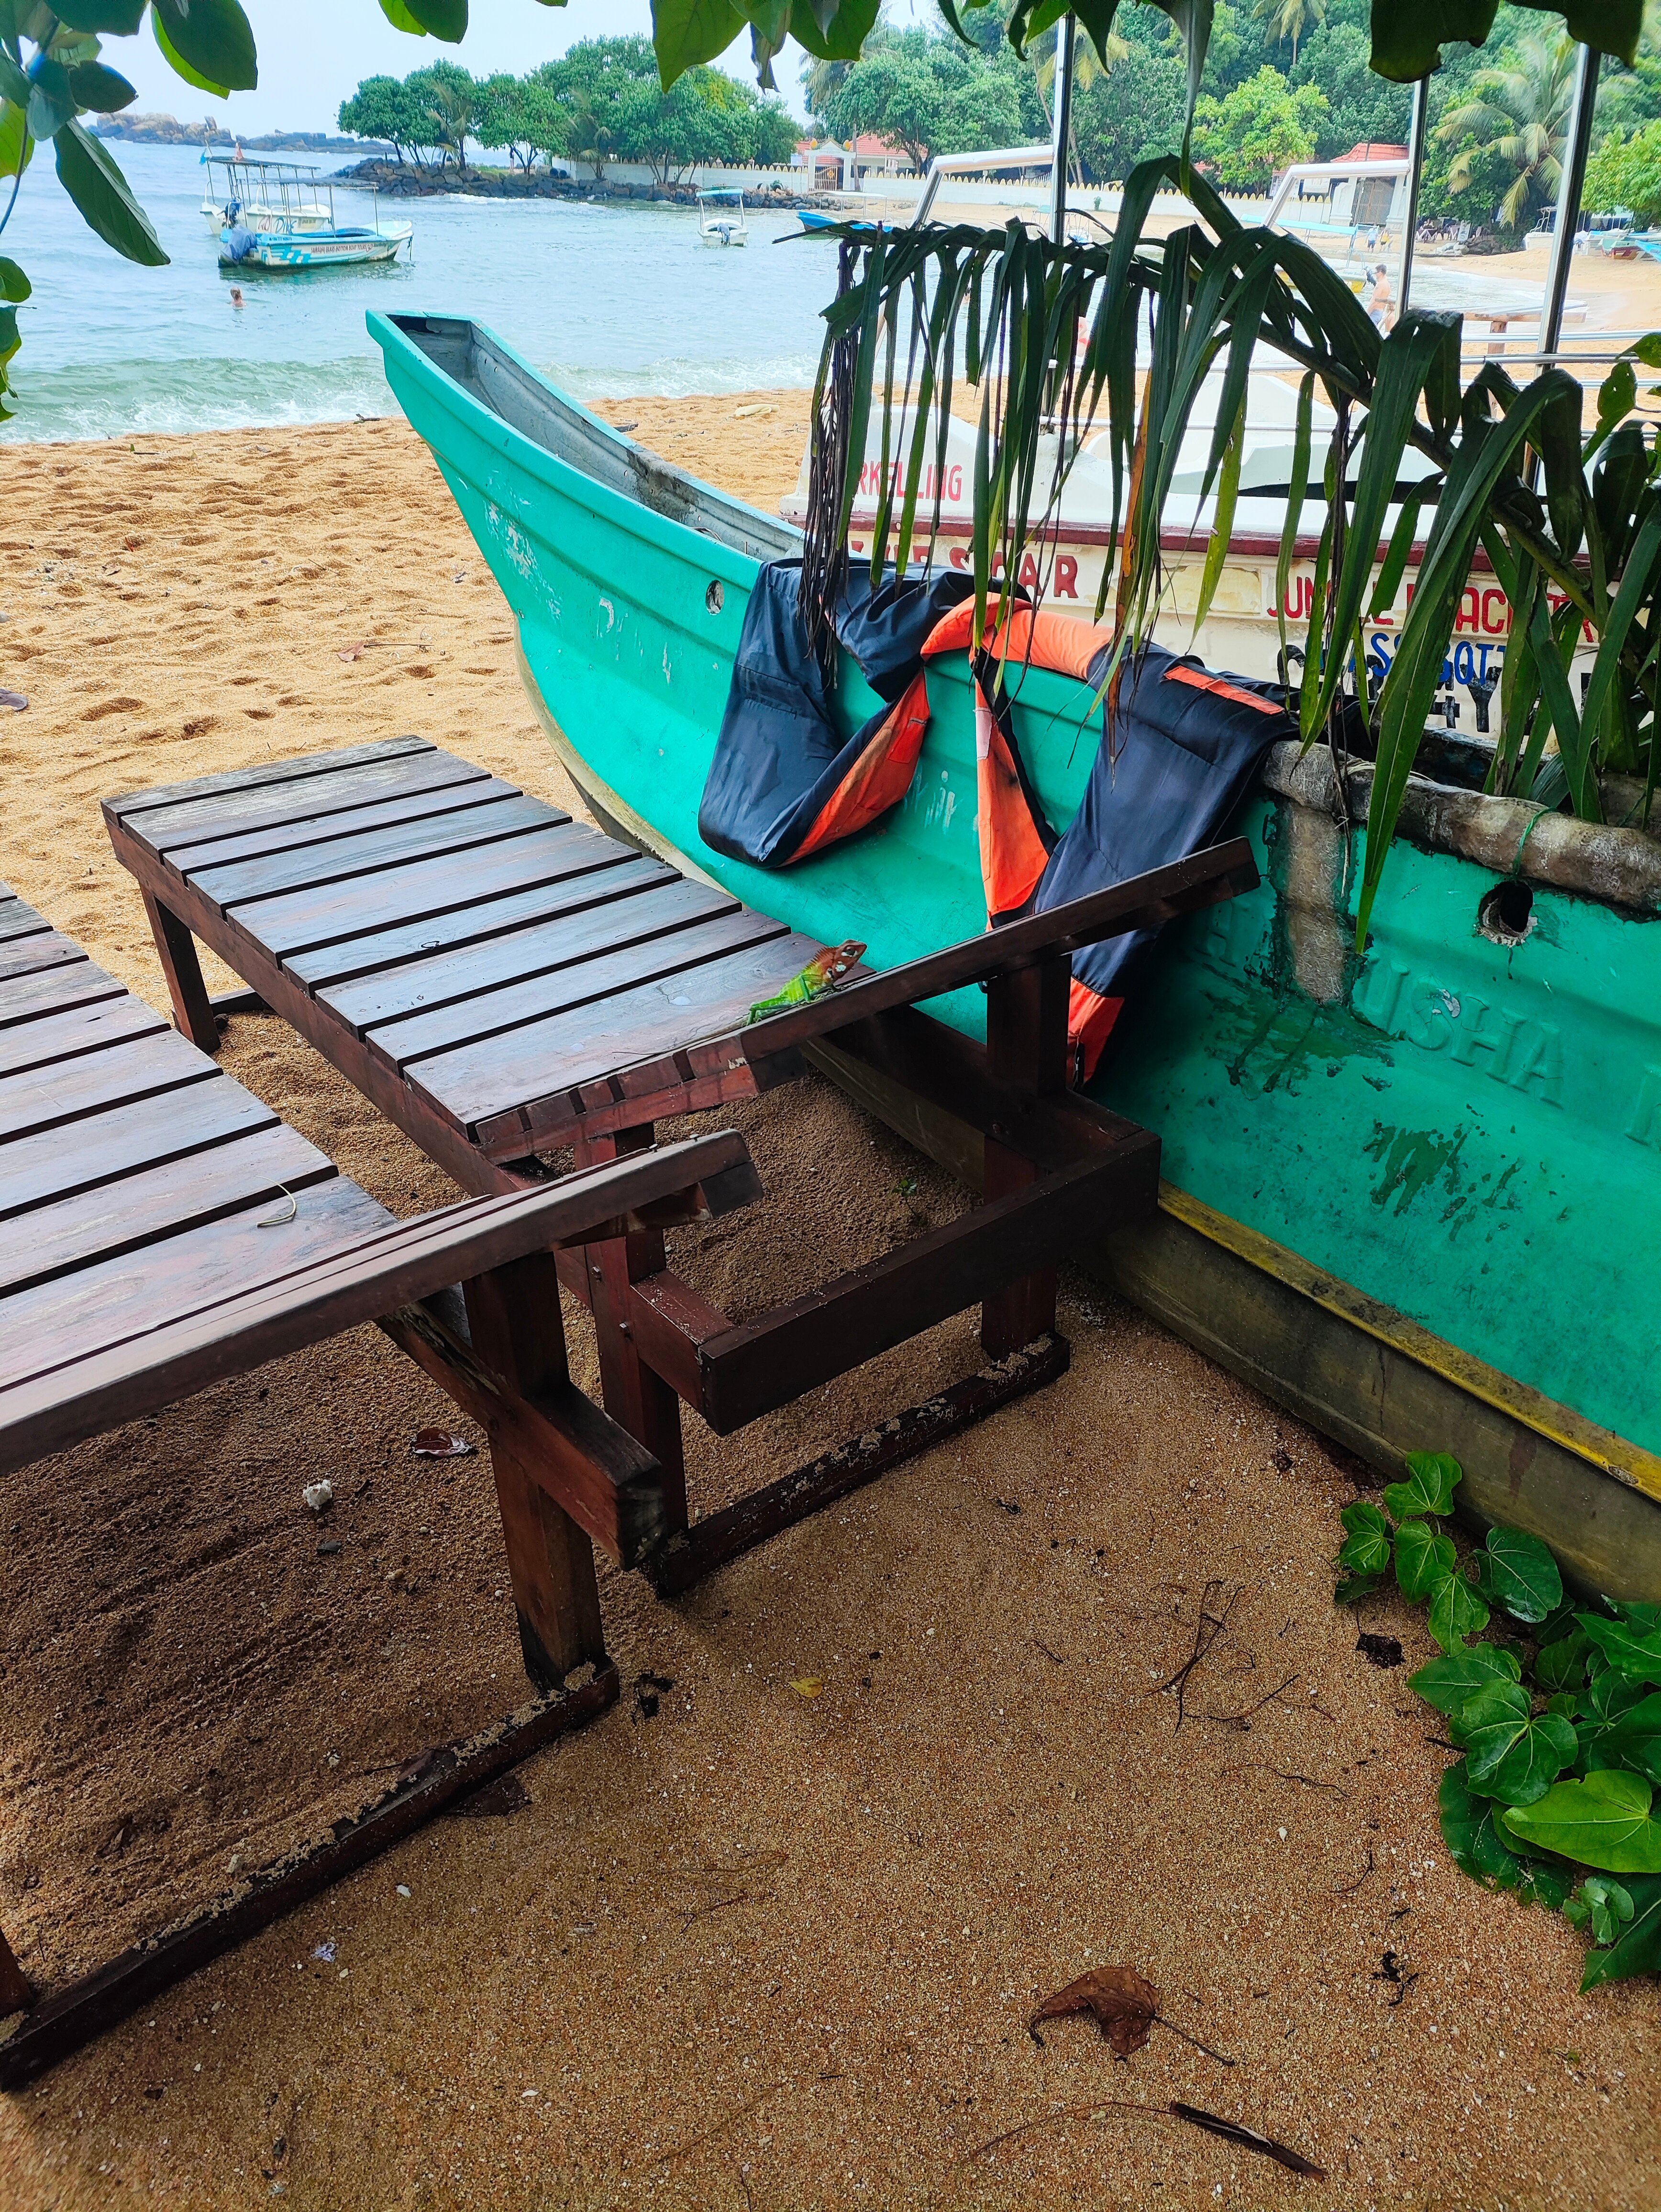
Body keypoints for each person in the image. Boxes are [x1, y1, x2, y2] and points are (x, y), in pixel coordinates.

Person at [1367, 263, 1392, 331]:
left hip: (1375, 311)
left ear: (1380, 273)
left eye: (1376, 273)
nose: (1375, 275)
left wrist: (1367, 313)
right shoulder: (1388, 285)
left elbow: (1374, 301)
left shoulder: (1380, 284)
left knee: (1370, 331)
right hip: (1381, 312)